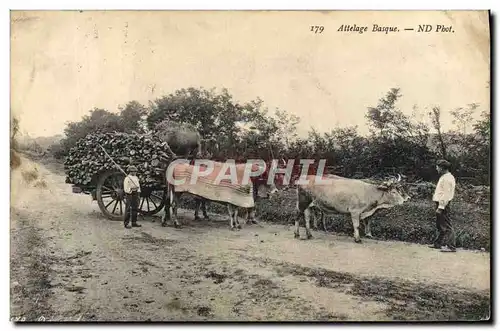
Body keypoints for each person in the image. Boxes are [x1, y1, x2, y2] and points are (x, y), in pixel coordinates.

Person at [429, 159, 456, 252]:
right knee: (440, 224)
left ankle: (451, 246)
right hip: (440, 203)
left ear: (442, 168)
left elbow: (446, 194)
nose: (436, 168)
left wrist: (441, 207)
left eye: (437, 167)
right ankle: (438, 243)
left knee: (447, 225)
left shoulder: (447, 179)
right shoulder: (445, 177)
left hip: (443, 204)